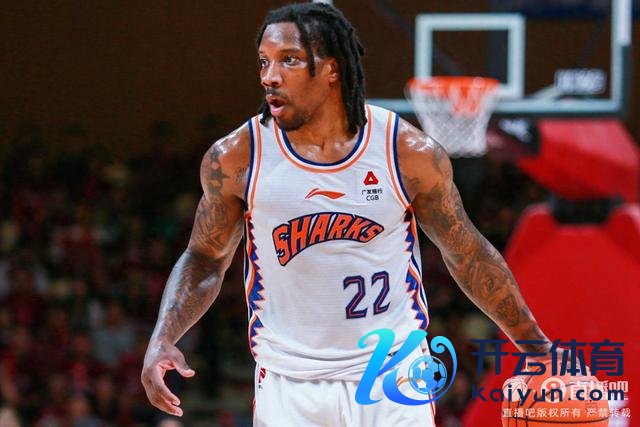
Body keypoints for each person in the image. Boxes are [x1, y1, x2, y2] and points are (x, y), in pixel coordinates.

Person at [141, 3, 555, 426]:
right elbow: (205, 257)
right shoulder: (236, 158)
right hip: (290, 382)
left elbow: (465, 253)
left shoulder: (405, 152)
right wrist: (164, 336)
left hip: (393, 373)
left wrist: (535, 345)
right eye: (264, 61)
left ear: (332, 68)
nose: (270, 76)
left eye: (289, 60)